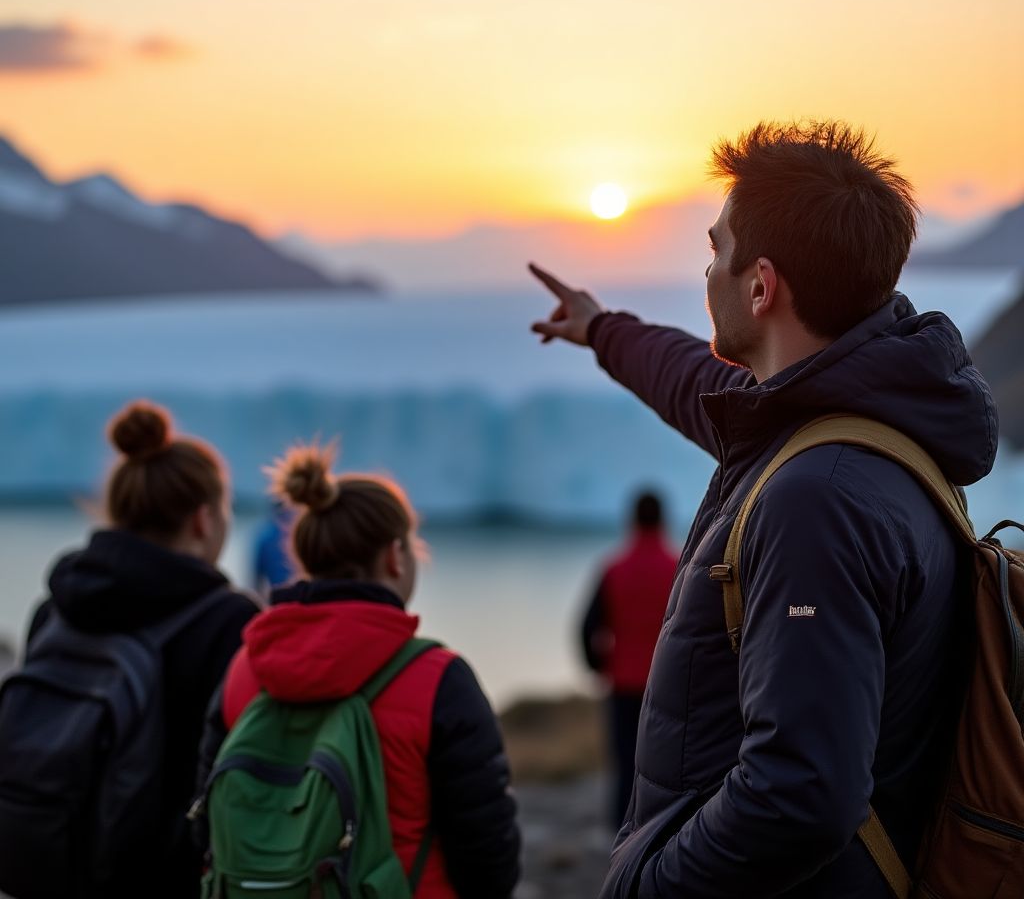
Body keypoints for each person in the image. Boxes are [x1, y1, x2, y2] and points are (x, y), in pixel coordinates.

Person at [529, 121, 996, 898]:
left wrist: (645, 886)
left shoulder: (818, 500)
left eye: (718, 250)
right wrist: (603, 331)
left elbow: (801, 796)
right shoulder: (857, 420)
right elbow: (698, 385)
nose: (707, 270)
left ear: (760, 286)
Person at [196, 441, 521, 898]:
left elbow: (205, 823)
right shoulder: (437, 679)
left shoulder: (246, 669)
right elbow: (488, 859)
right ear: (395, 556)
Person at [15, 401, 260, 898]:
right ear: (203, 520)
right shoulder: (228, 623)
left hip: (45, 864)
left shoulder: (57, 608)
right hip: (158, 878)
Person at [580, 490, 677, 827]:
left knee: (624, 760)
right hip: (667, 683)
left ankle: (621, 833)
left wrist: (600, 666)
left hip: (622, 682)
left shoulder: (613, 569)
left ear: (632, 520)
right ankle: (661, 829)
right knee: (666, 762)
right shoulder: (678, 567)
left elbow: (587, 627)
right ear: (663, 520)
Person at [251, 499, 295, 597]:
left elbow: (257, 578)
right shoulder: (295, 531)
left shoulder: (265, 535)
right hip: (299, 593)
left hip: (276, 595)